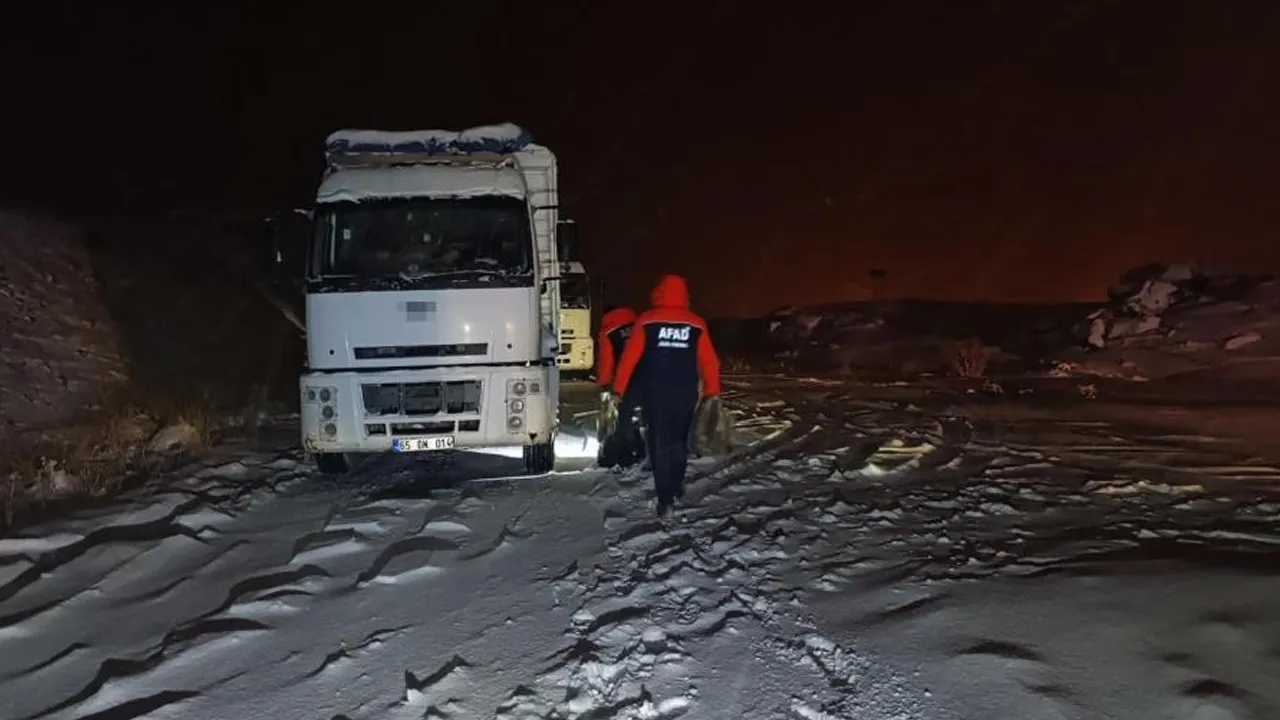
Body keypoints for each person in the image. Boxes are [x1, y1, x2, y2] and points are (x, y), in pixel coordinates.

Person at [611, 274, 721, 518]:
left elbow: (630, 359)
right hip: (685, 393)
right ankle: (677, 485)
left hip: (655, 393)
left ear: (658, 293)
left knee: (659, 442)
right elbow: (710, 361)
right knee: (680, 440)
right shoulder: (696, 324)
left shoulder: (647, 321)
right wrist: (713, 390)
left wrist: (618, 389)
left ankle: (665, 500)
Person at [595, 306, 644, 468]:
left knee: (620, 418)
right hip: (648, 376)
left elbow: (607, 361)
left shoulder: (608, 332)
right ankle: (641, 451)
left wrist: (604, 384)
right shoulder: (640, 326)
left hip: (623, 381)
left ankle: (623, 456)